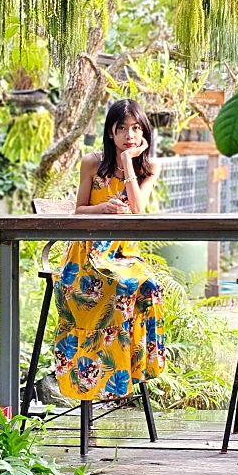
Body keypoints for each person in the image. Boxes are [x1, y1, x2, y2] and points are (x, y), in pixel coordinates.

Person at [52, 99, 168, 402]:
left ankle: (135, 368)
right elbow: (79, 210)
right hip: (88, 252)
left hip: (124, 253)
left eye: (135, 128)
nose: (129, 135)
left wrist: (129, 161)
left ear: (144, 132)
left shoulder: (150, 167)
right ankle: (98, 377)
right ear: (110, 132)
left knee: (148, 286)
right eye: (122, 129)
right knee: (120, 286)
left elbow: (138, 209)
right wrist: (102, 208)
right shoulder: (92, 162)